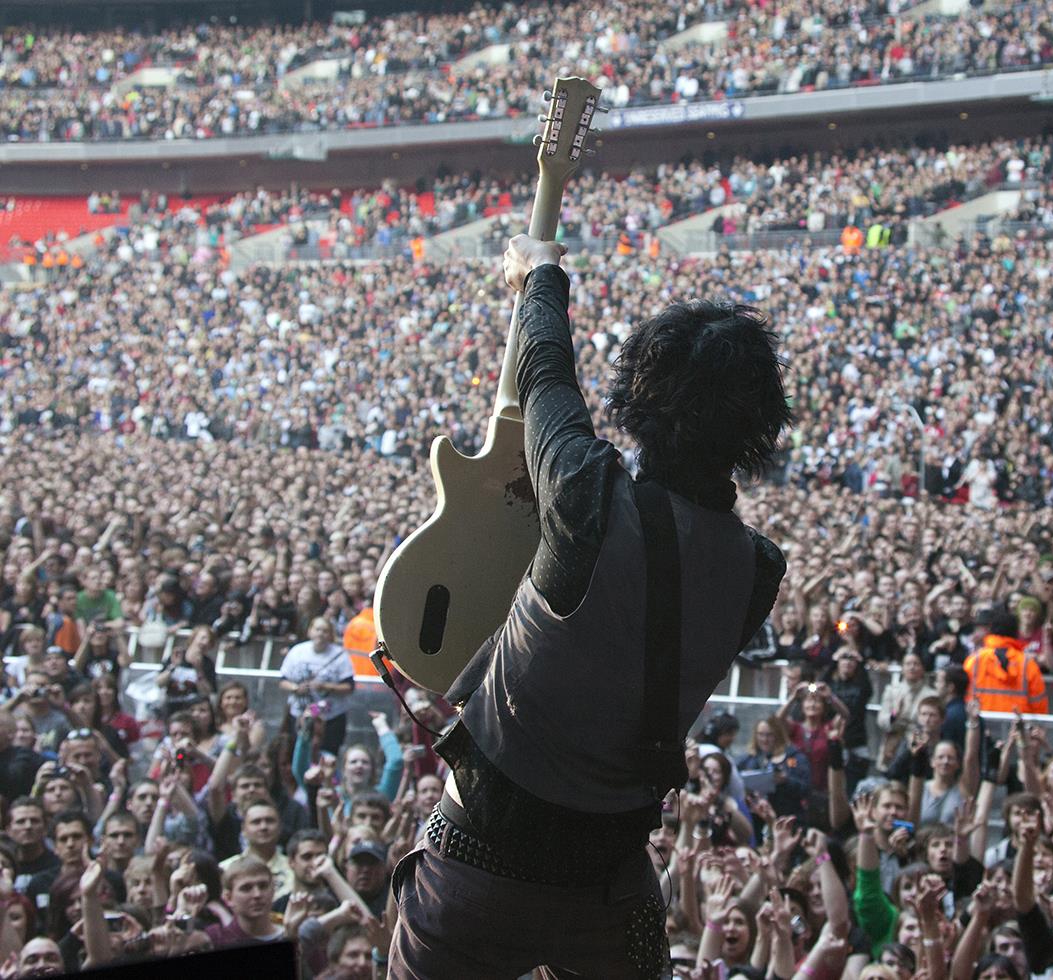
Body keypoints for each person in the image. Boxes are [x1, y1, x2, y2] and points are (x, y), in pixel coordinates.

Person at [388, 234, 791, 977]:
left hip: (479, 861)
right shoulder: (760, 570)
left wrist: (540, 274)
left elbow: (544, 372)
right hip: (613, 886)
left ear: (641, 405)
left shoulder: (588, 494)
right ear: (760, 431)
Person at [279, 617, 354, 756]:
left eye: (325, 631)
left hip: (330, 718)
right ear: (310, 631)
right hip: (300, 715)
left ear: (331, 635)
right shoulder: (297, 651)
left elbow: (349, 687)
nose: (321, 633)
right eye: (317, 629)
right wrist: (296, 688)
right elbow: (283, 680)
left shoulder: (340, 655)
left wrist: (325, 686)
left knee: (327, 756)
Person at [964, 607, 1048, 715]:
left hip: (981, 725)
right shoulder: (1027, 663)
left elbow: (964, 694)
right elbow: (1039, 703)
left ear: (992, 630)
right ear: (1016, 632)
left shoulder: (974, 660)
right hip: (1018, 726)